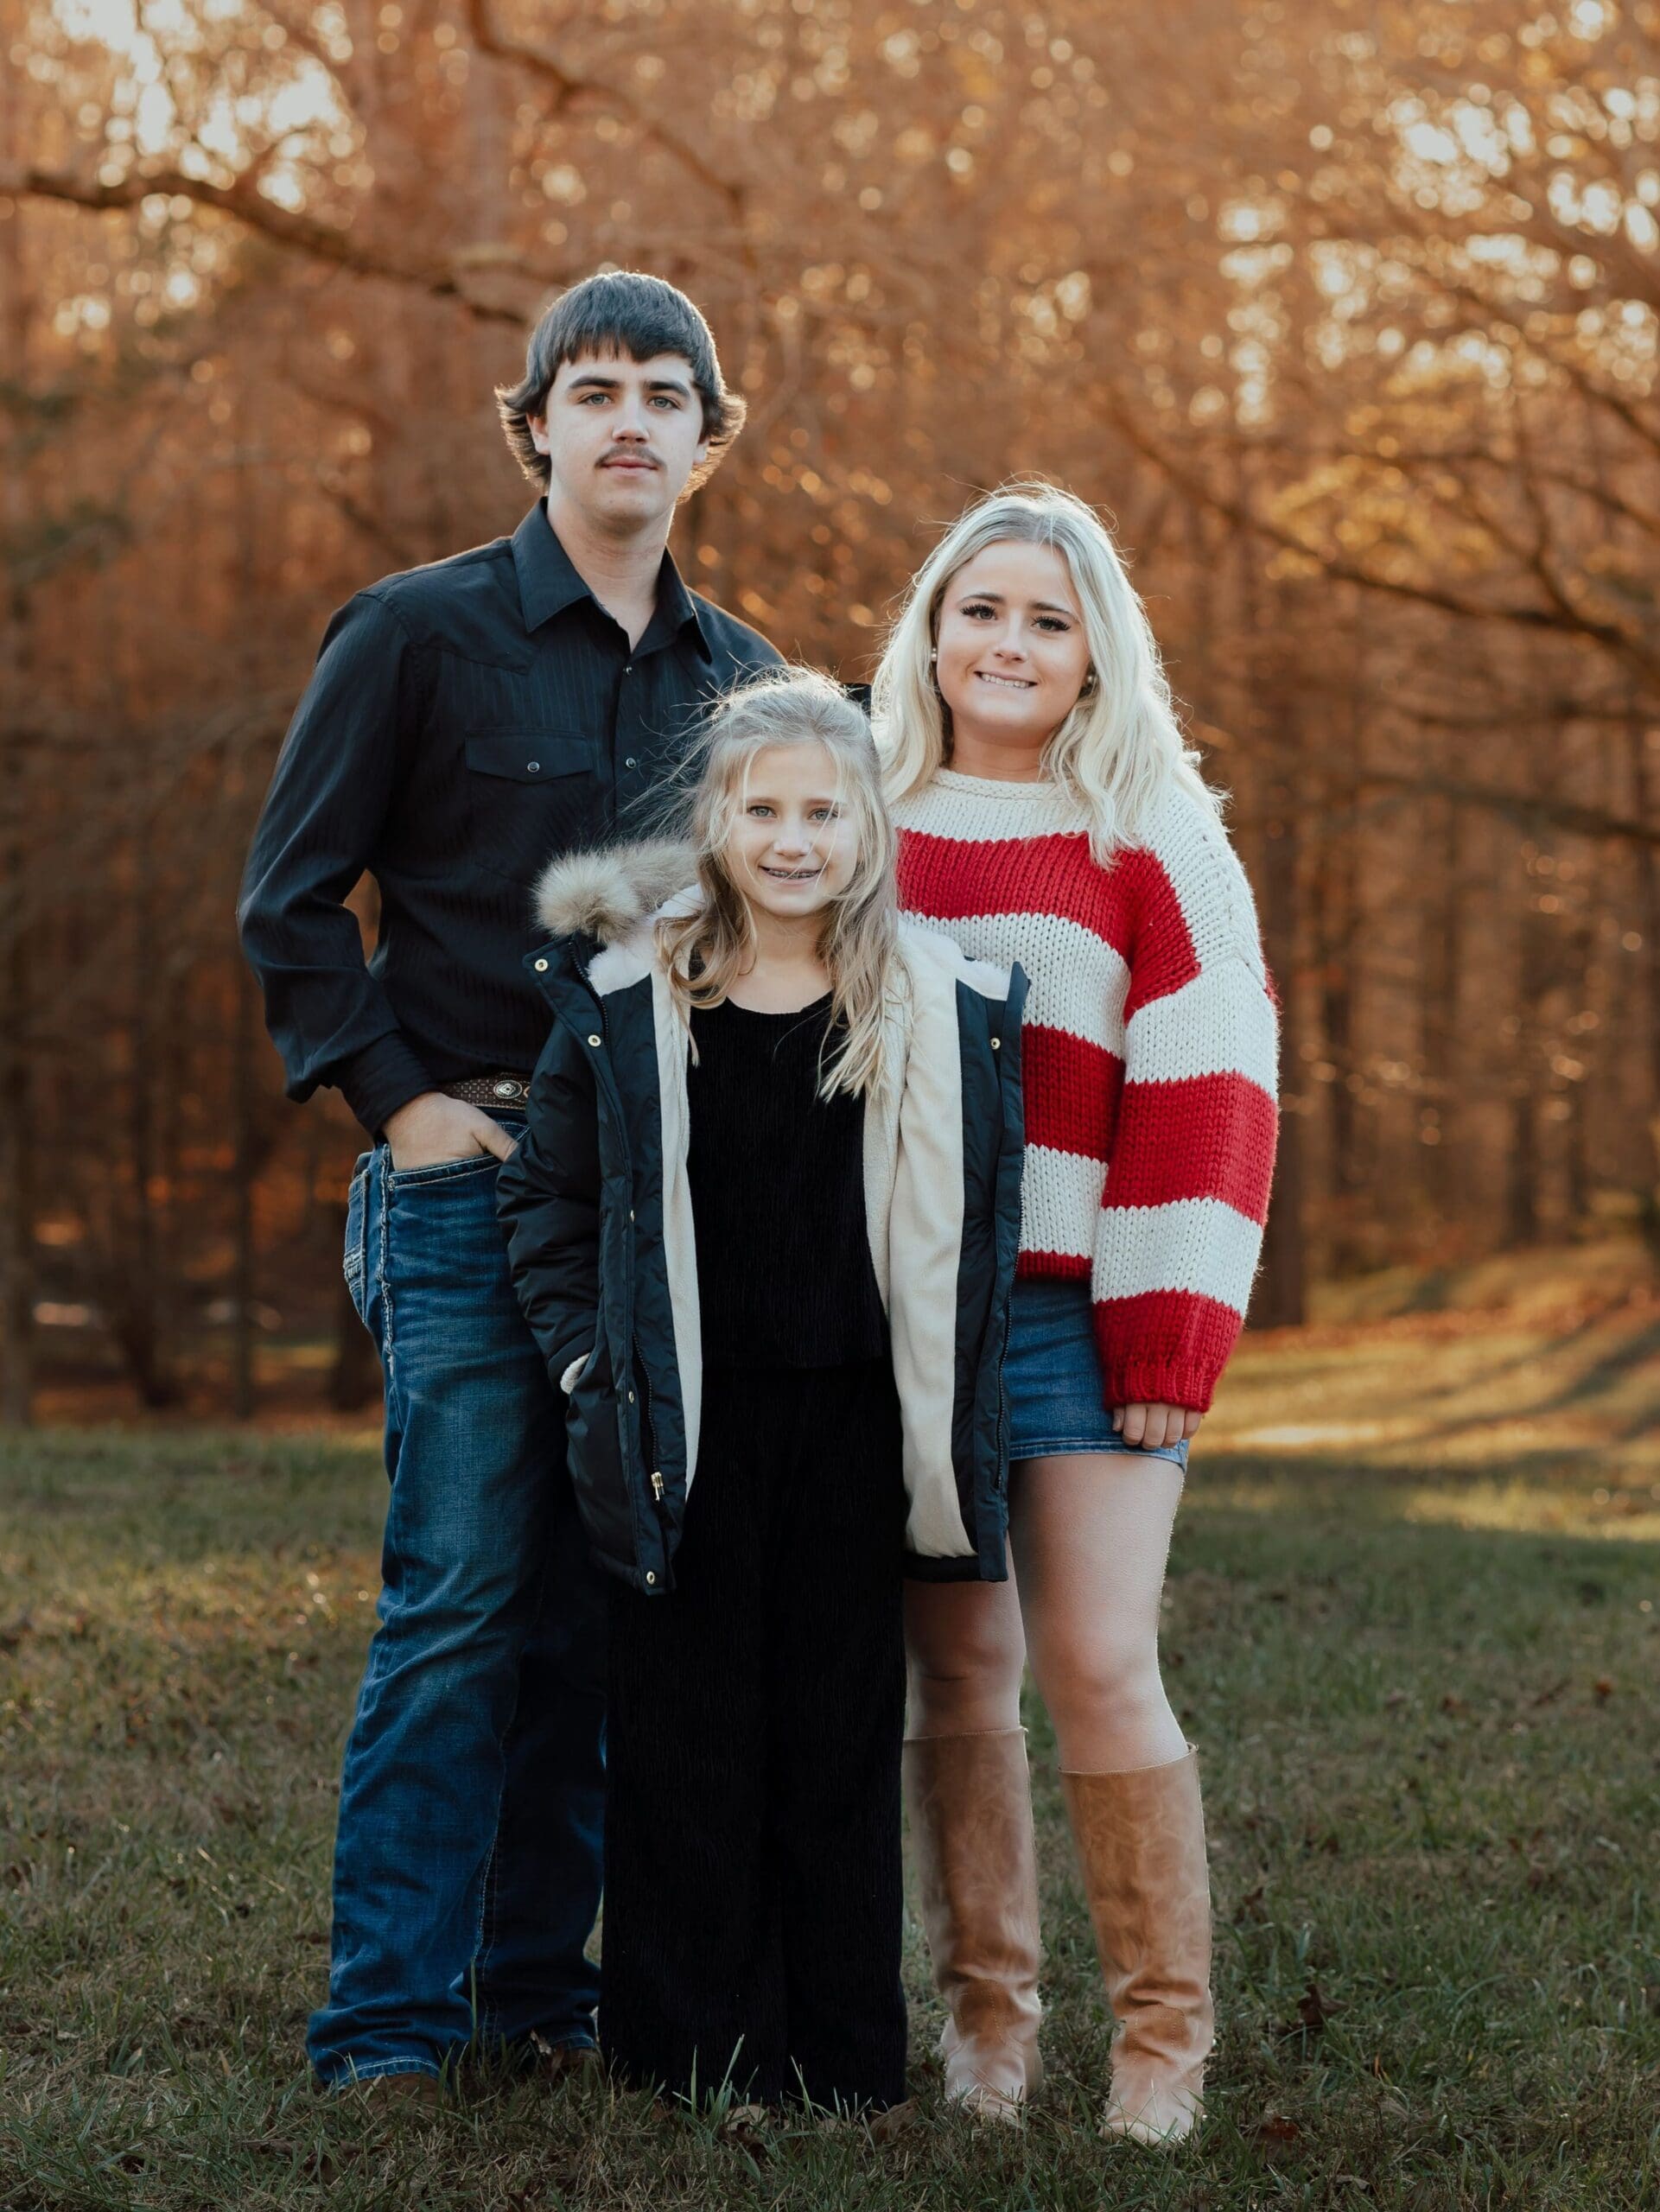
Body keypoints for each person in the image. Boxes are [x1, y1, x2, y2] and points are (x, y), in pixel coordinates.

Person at [238, 271, 779, 2094]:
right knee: (465, 1592)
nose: (630, 419)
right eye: (594, 388)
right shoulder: (413, 634)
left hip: (655, 1210)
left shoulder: (752, 688)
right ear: (534, 420)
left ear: (710, 437)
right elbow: (289, 902)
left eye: (665, 393)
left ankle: (535, 1995)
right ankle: (384, 2028)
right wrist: (394, 1104)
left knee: (599, 1600)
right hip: (464, 1182)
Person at [495, 668, 1026, 2112]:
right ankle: (682, 2059)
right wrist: (592, 1363)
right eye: (762, 808)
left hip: (856, 1417)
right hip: (684, 1419)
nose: (794, 839)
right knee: (682, 1733)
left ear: (867, 827)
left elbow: (972, 1222)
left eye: (822, 811)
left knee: (835, 1733)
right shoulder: (630, 998)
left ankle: (841, 2063)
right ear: (714, 819)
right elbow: (545, 1209)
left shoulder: (929, 998)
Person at [871, 482, 1279, 2144]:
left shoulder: (1152, 836)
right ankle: (987, 2026)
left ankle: (1157, 2050)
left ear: (1096, 651)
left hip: (1079, 1311)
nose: (1010, 644)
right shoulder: (863, 811)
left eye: (1048, 618)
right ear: (934, 631)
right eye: (982, 610)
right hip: (902, 1318)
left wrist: (1168, 1336)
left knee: (1098, 1660)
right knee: (958, 1668)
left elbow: (1212, 1082)